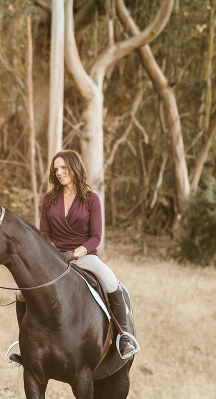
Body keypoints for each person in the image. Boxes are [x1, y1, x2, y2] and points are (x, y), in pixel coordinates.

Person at [17, 149, 136, 359]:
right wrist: (52, 255)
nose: (59, 172)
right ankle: (24, 342)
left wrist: (74, 254)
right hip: (55, 257)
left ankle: (124, 337)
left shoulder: (91, 199)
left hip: (84, 256)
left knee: (110, 282)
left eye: (63, 167)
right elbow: (44, 234)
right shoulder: (49, 199)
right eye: (56, 169)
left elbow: (95, 237)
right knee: (20, 293)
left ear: (74, 167)